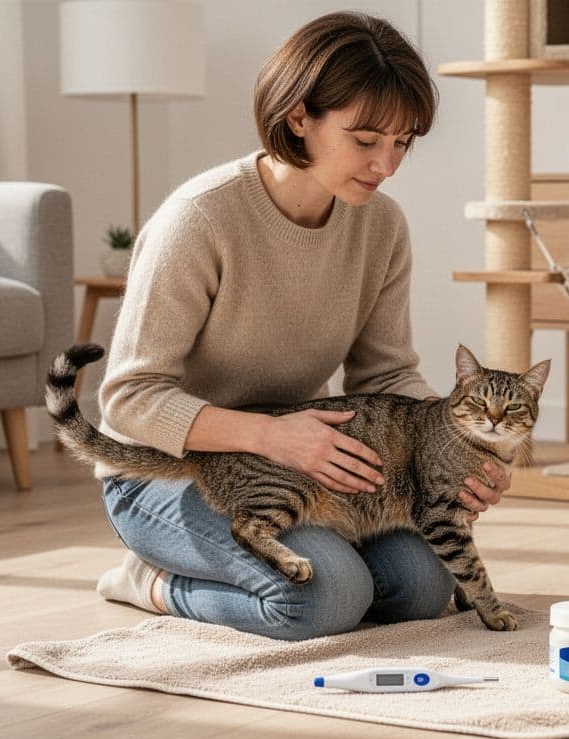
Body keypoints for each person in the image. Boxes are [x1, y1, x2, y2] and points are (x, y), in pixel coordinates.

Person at [93, 12, 510, 641]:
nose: (387, 164)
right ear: (298, 119)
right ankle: (149, 581)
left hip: (298, 466)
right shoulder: (199, 220)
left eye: (403, 142)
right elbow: (129, 399)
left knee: (424, 587)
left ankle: (275, 565)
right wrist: (268, 437)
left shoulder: (382, 226)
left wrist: (462, 451)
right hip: (162, 472)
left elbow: (388, 373)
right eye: (366, 139)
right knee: (325, 600)